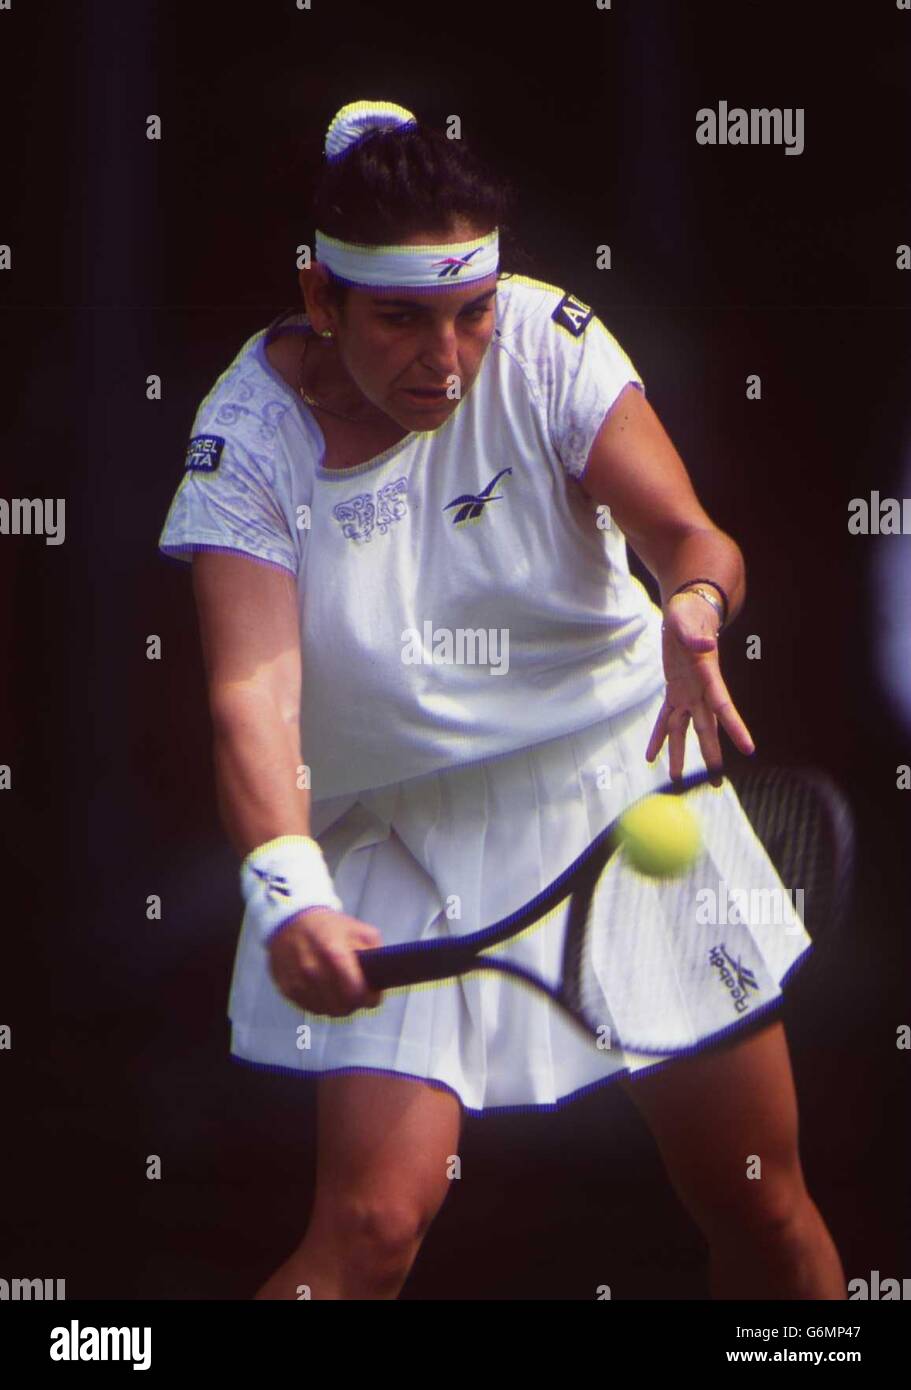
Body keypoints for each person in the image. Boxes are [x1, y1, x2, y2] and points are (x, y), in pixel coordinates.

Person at [158, 99, 846, 1300]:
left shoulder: (544, 345)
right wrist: (286, 887)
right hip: (384, 831)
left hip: (617, 789)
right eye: (401, 320)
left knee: (760, 1204)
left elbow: (690, 535)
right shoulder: (246, 442)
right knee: (369, 1230)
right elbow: (247, 696)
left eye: (470, 312)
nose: (447, 358)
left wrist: (692, 602)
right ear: (321, 300)